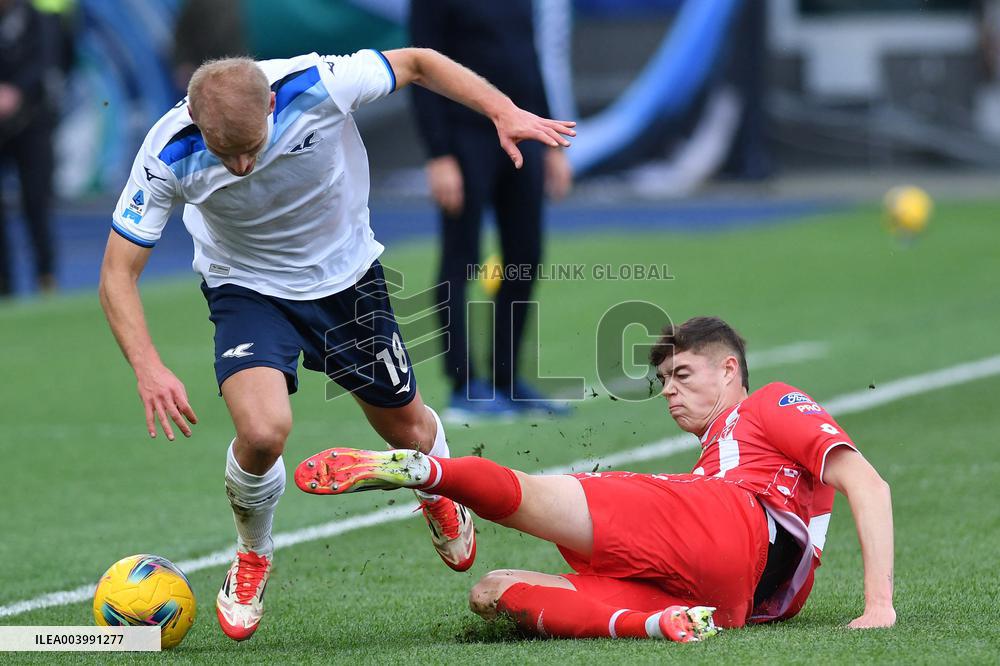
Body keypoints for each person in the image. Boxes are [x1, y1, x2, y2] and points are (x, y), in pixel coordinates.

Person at [98, 48, 574, 641]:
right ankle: (253, 553)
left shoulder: (319, 84)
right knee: (263, 431)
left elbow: (422, 62)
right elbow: (118, 272)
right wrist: (147, 368)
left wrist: (501, 111)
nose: (242, 165)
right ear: (195, 122)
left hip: (347, 280)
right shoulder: (167, 151)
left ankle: (435, 486)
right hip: (247, 288)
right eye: (228, 154)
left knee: (411, 433)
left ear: (272, 104)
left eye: (252, 146)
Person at [295, 316, 896, 640]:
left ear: (730, 369)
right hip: (731, 601)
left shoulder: (769, 401)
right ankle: (656, 626)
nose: (671, 393)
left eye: (683, 374)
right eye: (664, 382)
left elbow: (868, 484)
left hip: (738, 524)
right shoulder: (715, 457)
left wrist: (878, 605)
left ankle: (430, 471)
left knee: (546, 493)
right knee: (494, 590)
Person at [409, 0, 573, 420]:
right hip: (464, 140)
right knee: (460, 259)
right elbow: (420, 69)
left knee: (525, 255)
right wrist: (439, 154)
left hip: (520, 135)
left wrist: (550, 139)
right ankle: (464, 385)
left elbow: (528, 59)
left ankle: (506, 380)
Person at [0, 0, 59, 296]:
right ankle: (5, 285)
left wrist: (16, 91)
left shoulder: (37, 20)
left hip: (32, 123)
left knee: (37, 202)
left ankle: (46, 277)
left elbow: (46, 62)